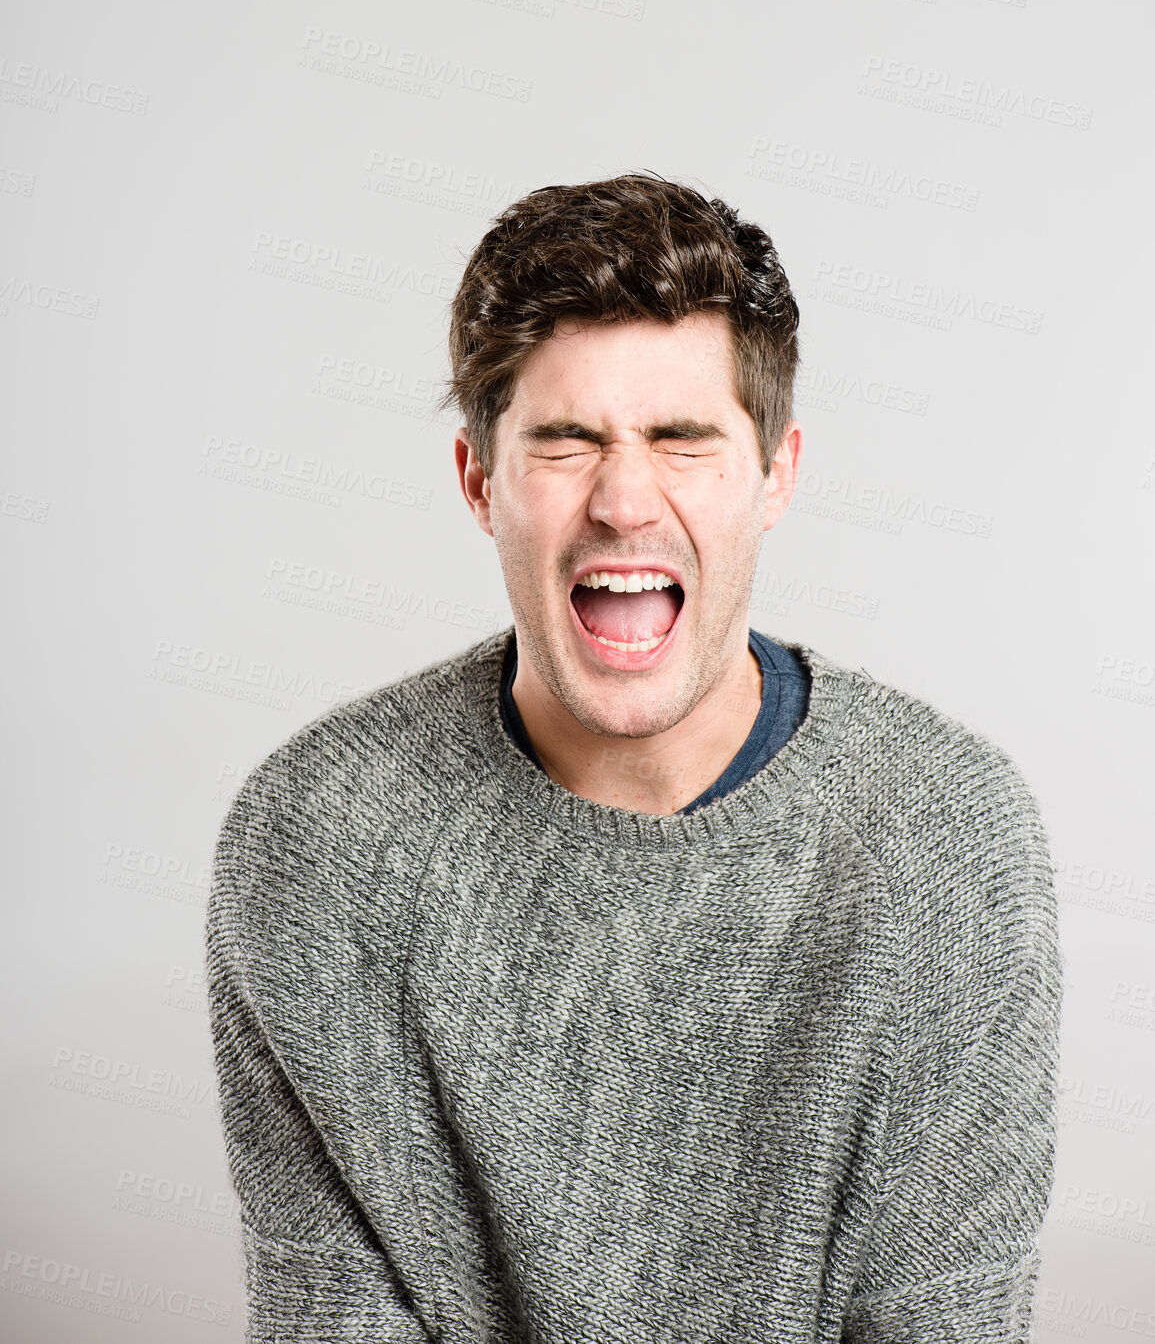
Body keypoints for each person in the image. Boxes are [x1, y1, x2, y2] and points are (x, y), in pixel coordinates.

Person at [205, 173, 1061, 1342]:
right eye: (563, 441)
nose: (623, 500)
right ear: (478, 483)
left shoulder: (944, 841)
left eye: (681, 439)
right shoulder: (322, 842)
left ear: (776, 475)